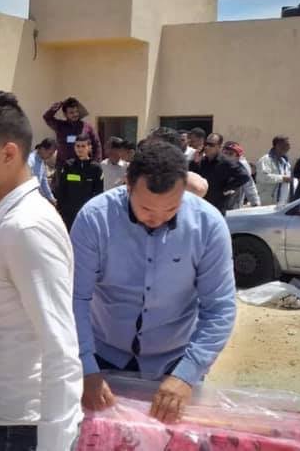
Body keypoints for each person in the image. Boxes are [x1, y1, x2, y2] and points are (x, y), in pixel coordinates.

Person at [72, 141, 236, 424]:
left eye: (171, 209)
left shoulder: (208, 225)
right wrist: (85, 366)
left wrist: (187, 373)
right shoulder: (95, 219)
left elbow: (219, 307)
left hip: (175, 360)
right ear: (127, 186)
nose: (157, 219)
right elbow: (76, 298)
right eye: (146, 208)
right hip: (103, 357)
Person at [0, 92, 82, 451]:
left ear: (8, 154)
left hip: (20, 428)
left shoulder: (27, 227)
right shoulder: (7, 220)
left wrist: (55, 444)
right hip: (0, 415)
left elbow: (60, 347)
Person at [189, 132, 251, 215]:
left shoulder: (227, 161)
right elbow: (191, 175)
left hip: (217, 206)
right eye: (206, 144)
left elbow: (244, 176)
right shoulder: (201, 161)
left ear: (219, 147)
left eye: (211, 145)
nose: (207, 147)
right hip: (201, 205)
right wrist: (195, 162)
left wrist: (227, 188)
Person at [55, 134, 104, 229]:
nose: (80, 149)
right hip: (69, 215)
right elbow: (62, 190)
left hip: (88, 214)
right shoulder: (68, 166)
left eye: (83, 146)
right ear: (74, 147)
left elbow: (99, 193)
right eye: (77, 146)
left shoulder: (96, 169)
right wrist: (60, 210)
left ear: (89, 147)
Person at [43, 97, 102, 165]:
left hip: (84, 166)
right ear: (65, 114)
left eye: (76, 111)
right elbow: (47, 117)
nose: (75, 114)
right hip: (63, 166)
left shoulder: (87, 127)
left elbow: (97, 145)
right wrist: (58, 105)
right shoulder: (60, 126)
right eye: (71, 112)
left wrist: (95, 163)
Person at [256, 135, 293, 206]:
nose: (289, 147)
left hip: (282, 201)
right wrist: (283, 178)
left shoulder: (284, 161)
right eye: (286, 145)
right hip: (268, 201)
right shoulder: (266, 160)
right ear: (277, 145)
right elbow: (263, 177)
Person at [223, 142, 261, 209]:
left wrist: (255, 203)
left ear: (237, 157)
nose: (227, 156)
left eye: (231, 154)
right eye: (225, 153)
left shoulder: (241, 170)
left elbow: (249, 186)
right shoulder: (216, 164)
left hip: (234, 207)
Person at [28, 137, 57, 204]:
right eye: (50, 153)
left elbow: (44, 182)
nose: (50, 156)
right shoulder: (30, 161)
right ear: (43, 149)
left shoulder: (42, 162)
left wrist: (52, 198)